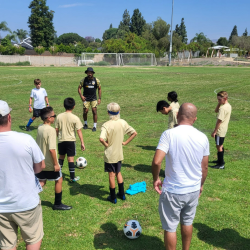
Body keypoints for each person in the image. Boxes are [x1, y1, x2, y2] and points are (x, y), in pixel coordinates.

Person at [152, 103, 209, 250]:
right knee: (187, 222)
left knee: (170, 227)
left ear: (177, 115)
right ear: (194, 119)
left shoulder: (169, 134)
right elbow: (205, 167)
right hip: (193, 190)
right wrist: (201, 185)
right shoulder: (203, 137)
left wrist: (156, 179)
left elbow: (157, 161)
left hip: (173, 190)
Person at [0, 100, 45, 250]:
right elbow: (40, 167)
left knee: (7, 244)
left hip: (1, 207)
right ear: (10, 117)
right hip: (27, 203)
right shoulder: (26, 139)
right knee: (33, 239)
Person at [99, 102, 137, 204]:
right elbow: (134, 133)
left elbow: (101, 138)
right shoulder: (123, 122)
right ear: (119, 111)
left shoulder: (106, 125)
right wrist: (125, 142)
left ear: (108, 112)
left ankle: (113, 197)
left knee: (111, 175)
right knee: (118, 173)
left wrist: (107, 145)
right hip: (119, 153)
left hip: (110, 155)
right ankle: (122, 194)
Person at [36, 107, 72, 210]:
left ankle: (27, 198)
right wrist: (56, 164)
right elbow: (52, 149)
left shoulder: (39, 127)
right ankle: (57, 204)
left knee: (42, 181)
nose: (54, 118)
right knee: (59, 179)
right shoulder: (51, 130)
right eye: (53, 116)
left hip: (40, 162)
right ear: (48, 118)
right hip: (49, 162)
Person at [55, 97, 85, 182]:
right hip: (71, 141)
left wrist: (55, 140)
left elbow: (56, 129)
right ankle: (72, 178)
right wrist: (82, 142)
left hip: (61, 140)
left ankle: (58, 175)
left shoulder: (59, 116)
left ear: (64, 105)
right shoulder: (75, 118)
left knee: (61, 157)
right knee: (70, 159)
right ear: (74, 106)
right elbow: (79, 130)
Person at [211, 91, 232, 169]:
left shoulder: (223, 108)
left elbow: (219, 121)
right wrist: (219, 103)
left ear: (225, 98)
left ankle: (221, 164)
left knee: (219, 146)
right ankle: (219, 161)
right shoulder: (228, 105)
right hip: (224, 129)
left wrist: (215, 131)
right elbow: (216, 111)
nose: (218, 101)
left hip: (220, 130)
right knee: (220, 145)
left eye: (219, 100)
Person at [78, 67, 101, 132]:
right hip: (86, 99)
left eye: (91, 73)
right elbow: (79, 88)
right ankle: (85, 124)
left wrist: (99, 98)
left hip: (94, 98)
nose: (89, 74)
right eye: (88, 73)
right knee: (85, 112)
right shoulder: (83, 80)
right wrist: (81, 96)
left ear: (93, 73)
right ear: (87, 73)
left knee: (94, 111)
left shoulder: (96, 80)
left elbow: (99, 89)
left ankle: (94, 126)